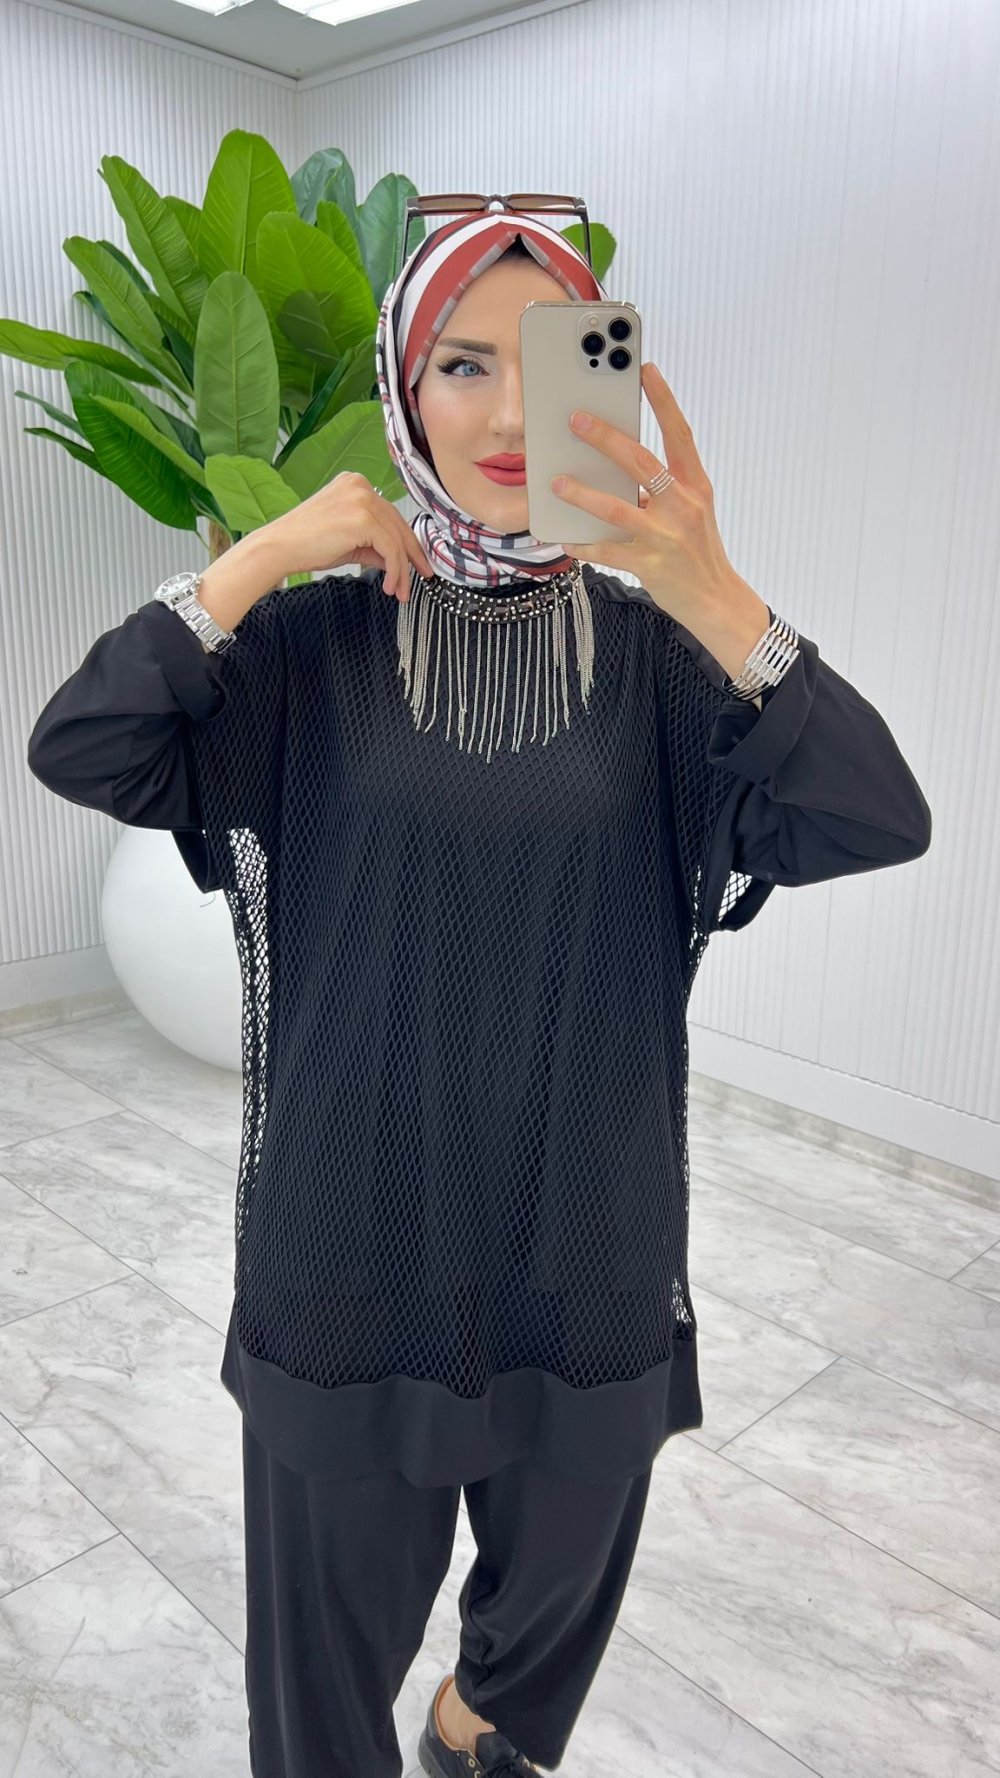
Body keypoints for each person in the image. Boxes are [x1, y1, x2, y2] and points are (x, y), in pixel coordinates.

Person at [26, 207, 932, 1778]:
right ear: (403, 389)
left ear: (609, 379)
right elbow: (83, 742)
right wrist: (261, 555)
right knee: (321, 1694)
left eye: (548, 361)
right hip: (350, 1246)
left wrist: (717, 592)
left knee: (551, 1613)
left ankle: (474, 1724)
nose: (510, 411)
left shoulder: (662, 663)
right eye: (461, 364)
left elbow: (874, 815)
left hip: (586, 1241)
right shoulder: (311, 648)